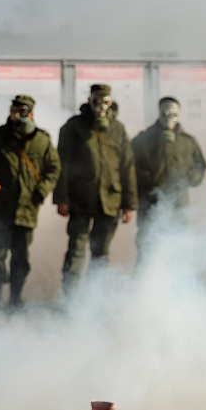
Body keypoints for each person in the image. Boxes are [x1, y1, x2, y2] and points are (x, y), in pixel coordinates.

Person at [53, 83, 137, 294]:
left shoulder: (118, 129)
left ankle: (93, 300)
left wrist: (129, 204)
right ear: (89, 101)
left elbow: (127, 167)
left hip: (109, 200)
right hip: (79, 200)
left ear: (110, 102)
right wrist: (61, 198)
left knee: (101, 253)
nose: (100, 105)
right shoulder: (73, 127)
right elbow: (61, 164)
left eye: (105, 101)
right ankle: (70, 299)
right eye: (96, 100)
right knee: (76, 251)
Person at [0, 95, 60, 309]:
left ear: (32, 114)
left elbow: (54, 169)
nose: (18, 114)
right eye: (15, 109)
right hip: (1, 208)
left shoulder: (42, 141)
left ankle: (15, 299)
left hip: (27, 209)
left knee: (21, 258)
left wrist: (40, 192)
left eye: (23, 110)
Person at [130, 97, 206, 261]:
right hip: (150, 204)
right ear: (159, 113)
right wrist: (148, 180)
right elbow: (128, 167)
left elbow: (200, 165)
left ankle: (174, 284)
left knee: (177, 248)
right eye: (165, 113)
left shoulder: (188, 142)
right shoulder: (143, 140)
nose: (169, 118)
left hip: (178, 204)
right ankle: (144, 283)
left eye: (173, 114)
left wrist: (188, 178)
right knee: (147, 248)